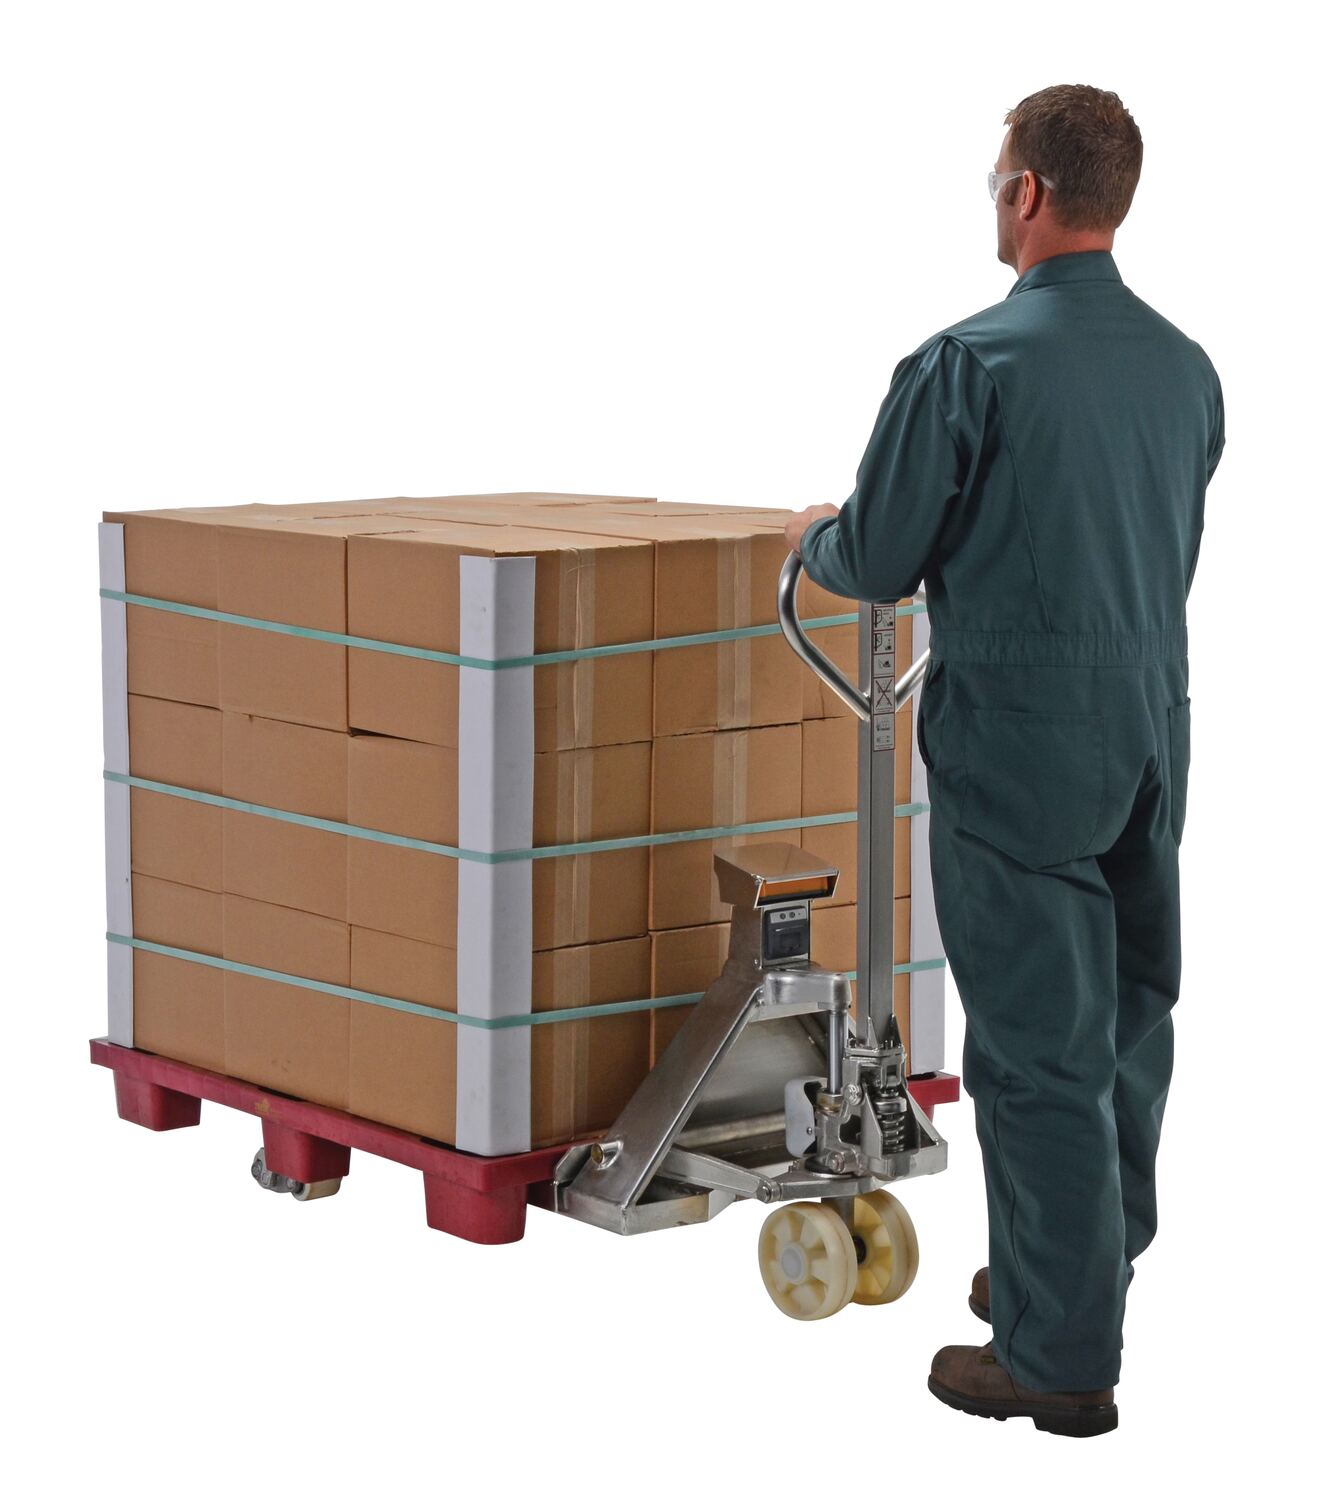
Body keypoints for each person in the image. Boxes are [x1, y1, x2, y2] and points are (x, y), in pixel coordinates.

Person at [784, 83, 1225, 1439]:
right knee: (1128, 1018)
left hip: (1021, 742)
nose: (995, 197)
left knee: (1036, 1049)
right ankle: (1078, 1266)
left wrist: (817, 535)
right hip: (1150, 728)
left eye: (997, 178)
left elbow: (879, 556)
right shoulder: (1186, 369)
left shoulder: (967, 365)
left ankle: (1058, 1357)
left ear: (1028, 191)